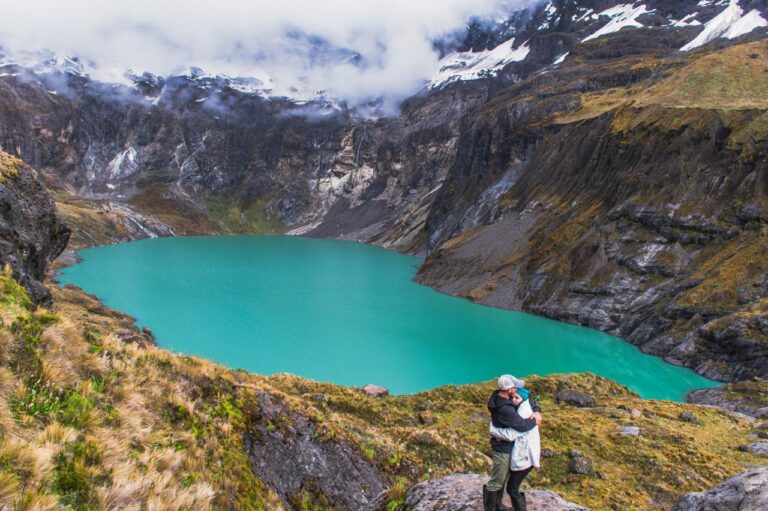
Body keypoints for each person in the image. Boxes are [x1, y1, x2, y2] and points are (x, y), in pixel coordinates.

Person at [484, 375, 542, 511]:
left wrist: (537, 411)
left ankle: (498, 506)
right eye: (514, 387)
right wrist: (534, 421)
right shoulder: (505, 408)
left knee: (503, 480)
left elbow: (530, 401)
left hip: (508, 447)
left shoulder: (506, 397)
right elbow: (520, 428)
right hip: (502, 448)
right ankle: (493, 508)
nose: (516, 389)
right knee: (498, 481)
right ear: (509, 389)